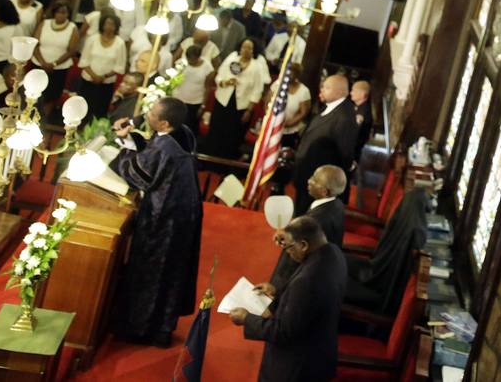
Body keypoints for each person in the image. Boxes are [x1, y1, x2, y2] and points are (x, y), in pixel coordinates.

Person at [110, 97, 203, 347]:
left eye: (151, 113)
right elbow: (152, 149)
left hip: (165, 219)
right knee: (172, 272)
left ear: (163, 122)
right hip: (185, 213)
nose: (147, 114)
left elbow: (138, 175)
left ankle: (140, 328)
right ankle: (162, 327)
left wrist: (125, 146)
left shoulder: (164, 148)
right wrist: (133, 137)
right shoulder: (183, 134)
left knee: (152, 270)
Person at [231, 216, 344, 382]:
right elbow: (310, 303)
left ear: (304, 245)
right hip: (321, 345)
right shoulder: (333, 252)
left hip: (298, 365)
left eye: (289, 248)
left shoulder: (307, 281)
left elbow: (283, 332)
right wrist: (277, 292)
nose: (288, 254)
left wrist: (246, 319)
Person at [258, 165, 347, 299]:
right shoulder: (336, 204)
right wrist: (290, 233)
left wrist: (276, 288)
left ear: (324, 192)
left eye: (315, 181)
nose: (309, 181)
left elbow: (296, 260)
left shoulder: (317, 220)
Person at [291, 74, 357, 214]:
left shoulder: (344, 117)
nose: (321, 90)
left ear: (339, 92)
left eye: (326, 87)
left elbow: (344, 155)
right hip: (307, 176)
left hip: (319, 185)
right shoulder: (329, 107)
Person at [202, 38, 269, 158]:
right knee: (216, 130)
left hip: (241, 106)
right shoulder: (231, 59)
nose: (246, 50)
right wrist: (226, 82)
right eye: (244, 47)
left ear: (254, 51)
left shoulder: (256, 67)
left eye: (249, 48)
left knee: (232, 135)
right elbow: (219, 77)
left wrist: (249, 110)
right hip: (223, 100)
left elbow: (257, 90)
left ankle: (226, 161)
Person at [76, 13, 128, 121]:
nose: (109, 27)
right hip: (87, 81)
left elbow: (120, 67)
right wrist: (94, 76)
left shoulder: (120, 43)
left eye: (112, 24)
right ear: (102, 25)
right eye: (107, 23)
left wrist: (103, 77)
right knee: (81, 111)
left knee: (99, 114)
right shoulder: (92, 39)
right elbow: (83, 61)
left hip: (106, 84)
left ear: (116, 26)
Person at [32, 0, 78, 106]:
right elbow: (35, 44)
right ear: (54, 12)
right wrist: (43, 62)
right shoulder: (44, 23)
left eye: (64, 12)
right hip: (39, 65)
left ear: (68, 14)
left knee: (51, 96)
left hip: (58, 69)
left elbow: (71, 51)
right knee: (35, 93)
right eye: (59, 12)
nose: (61, 15)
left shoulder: (72, 28)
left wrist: (54, 64)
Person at [172, 43, 215, 133]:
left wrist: (203, 106)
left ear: (198, 57)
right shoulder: (181, 63)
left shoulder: (207, 68)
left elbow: (207, 88)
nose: (190, 61)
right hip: (178, 99)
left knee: (188, 128)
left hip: (194, 102)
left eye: (192, 59)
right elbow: (174, 80)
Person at [350, 80, 373, 164]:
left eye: (354, 91)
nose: (351, 93)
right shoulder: (357, 107)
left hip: (353, 152)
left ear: (362, 94)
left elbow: (354, 133)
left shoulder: (363, 112)